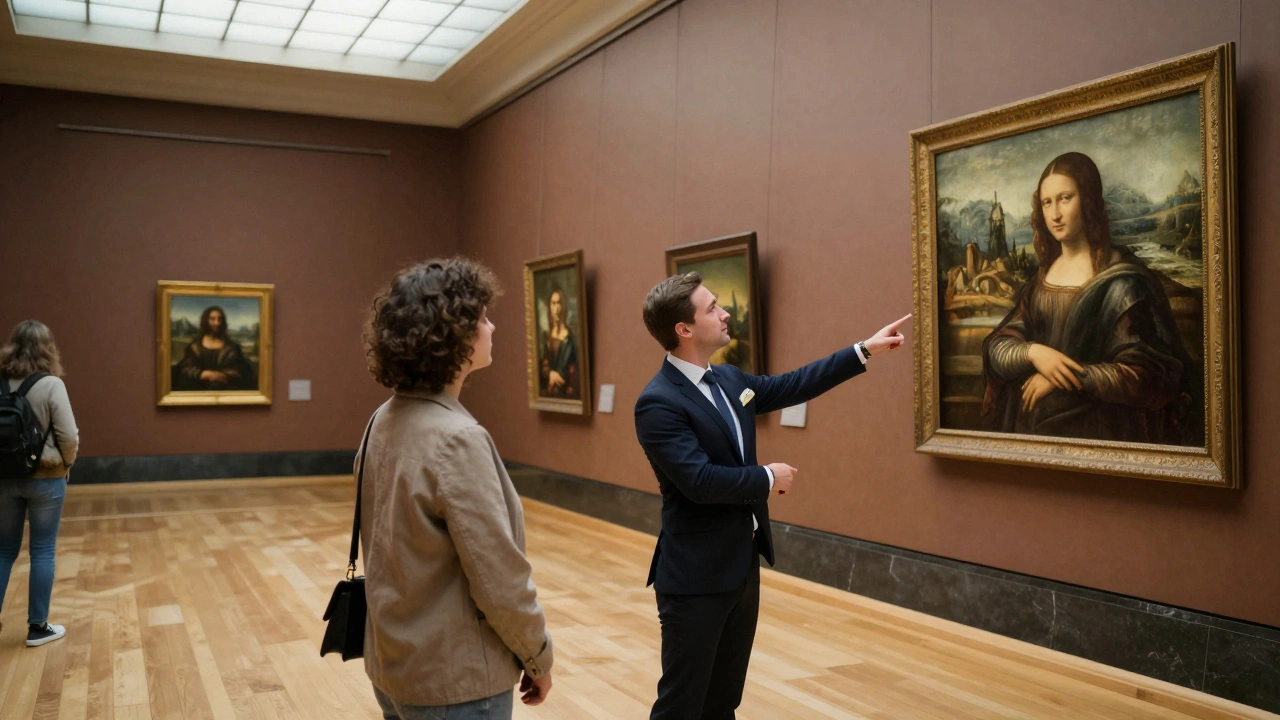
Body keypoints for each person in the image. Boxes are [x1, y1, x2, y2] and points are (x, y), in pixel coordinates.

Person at [634, 272, 909, 719]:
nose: (725, 313)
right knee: (681, 707)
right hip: (696, 578)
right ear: (683, 330)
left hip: (741, 567)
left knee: (723, 703)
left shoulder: (727, 379)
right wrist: (766, 477)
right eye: (712, 308)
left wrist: (864, 350)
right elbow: (699, 482)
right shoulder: (658, 402)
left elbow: (792, 385)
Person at [359, 258, 553, 719]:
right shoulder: (457, 439)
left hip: (395, 665)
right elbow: (497, 576)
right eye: (482, 317)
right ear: (456, 336)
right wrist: (537, 654)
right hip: (454, 680)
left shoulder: (382, 420)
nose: (492, 325)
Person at [982, 151, 1201, 445]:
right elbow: (996, 348)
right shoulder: (1041, 280)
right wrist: (1034, 353)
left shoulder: (1123, 283)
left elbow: (1147, 377)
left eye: (1065, 198)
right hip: (1034, 434)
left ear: (1087, 201)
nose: (1055, 214)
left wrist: (1069, 377)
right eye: (1047, 202)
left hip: (1104, 434)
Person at [0, 320, 79, 647]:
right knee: (43, 550)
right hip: (46, 478)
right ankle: (37, 627)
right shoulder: (51, 384)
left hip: (4, 477)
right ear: (48, 348)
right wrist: (67, 464)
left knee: (3, 551)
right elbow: (68, 436)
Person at [173, 306, 256, 391]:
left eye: (220, 319)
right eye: (212, 319)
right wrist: (204, 374)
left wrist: (223, 375)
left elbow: (242, 369)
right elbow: (185, 368)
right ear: (205, 321)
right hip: (199, 390)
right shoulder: (195, 347)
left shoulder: (232, 347)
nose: (217, 323)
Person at [538, 288, 579, 399]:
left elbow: (574, 369)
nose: (556, 308)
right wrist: (550, 373)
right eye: (553, 303)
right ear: (549, 307)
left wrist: (561, 376)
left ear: (563, 306)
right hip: (548, 390)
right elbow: (543, 364)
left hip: (565, 390)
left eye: (558, 303)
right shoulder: (546, 336)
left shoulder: (570, 338)